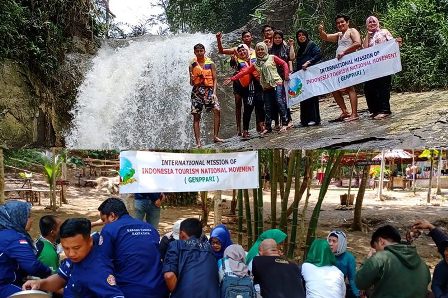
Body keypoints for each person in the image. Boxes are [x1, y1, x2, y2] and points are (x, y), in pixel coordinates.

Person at [23, 218, 125, 297]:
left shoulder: (99, 270)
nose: (71, 254)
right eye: (66, 248)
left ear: (89, 241)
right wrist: (40, 284)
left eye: (76, 248)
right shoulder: (75, 259)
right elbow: (60, 278)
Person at [97, 197, 168, 297]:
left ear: (112, 216)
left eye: (104, 220)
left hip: (129, 291)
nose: (104, 224)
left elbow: (103, 263)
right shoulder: (150, 228)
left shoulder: (109, 229)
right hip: (159, 289)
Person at [227, 42, 290, 134]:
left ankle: (285, 124)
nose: (260, 51)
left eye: (262, 49)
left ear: (265, 49)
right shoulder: (256, 63)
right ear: (256, 51)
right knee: (267, 107)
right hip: (265, 86)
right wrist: (232, 78)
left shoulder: (272, 57)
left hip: (277, 83)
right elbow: (244, 72)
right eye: (258, 50)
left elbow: (284, 63)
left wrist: (286, 75)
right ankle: (268, 127)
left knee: (279, 102)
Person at [355, 225, 430, 298]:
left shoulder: (380, 258)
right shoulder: (423, 265)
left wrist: (368, 259)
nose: (375, 251)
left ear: (381, 242)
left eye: (375, 247)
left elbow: (360, 282)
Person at [0, 201, 52, 297]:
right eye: (28, 217)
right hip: (3, 285)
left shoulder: (3, 233)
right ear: (17, 217)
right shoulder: (13, 238)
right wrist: (50, 273)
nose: (31, 220)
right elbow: (32, 266)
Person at [319, 15, 362, 122]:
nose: (340, 24)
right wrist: (321, 30)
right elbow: (325, 37)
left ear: (347, 22)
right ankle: (344, 111)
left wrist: (344, 52)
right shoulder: (339, 35)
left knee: (350, 88)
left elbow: (358, 43)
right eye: (338, 23)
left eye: (342, 22)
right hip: (339, 66)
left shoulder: (352, 31)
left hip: (349, 63)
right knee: (334, 88)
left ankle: (354, 114)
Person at [163, 218, 219, 297]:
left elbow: (169, 276)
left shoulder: (176, 245)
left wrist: (176, 293)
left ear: (182, 234)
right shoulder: (210, 248)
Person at [216, 31, 255, 136]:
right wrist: (219, 39)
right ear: (242, 39)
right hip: (238, 81)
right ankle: (238, 128)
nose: (247, 38)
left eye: (248, 36)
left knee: (249, 103)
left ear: (252, 37)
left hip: (250, 80)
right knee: (238, 103)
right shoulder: (236, 50)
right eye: (245, 37)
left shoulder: (254, 51)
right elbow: (221, 50)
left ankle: (252, 126)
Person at [362, 16, 397, 120]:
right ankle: (375, 110)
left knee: (383, 87)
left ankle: (385, 110)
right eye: (369, 22)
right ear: (367, 25)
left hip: (384, 65)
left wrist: (398, 42)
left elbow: (392, 43)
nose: (372, 23)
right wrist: (368, 36)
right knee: (369, 87)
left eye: (374, 21)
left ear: (378, 23)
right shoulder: (366, 37)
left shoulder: (384, 32)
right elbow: (364, 49)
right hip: (372, 68)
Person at [190, 43, 223, 147]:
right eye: (197, 51)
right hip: (196, 92)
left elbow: (214, 78)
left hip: (209, 91)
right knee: (196, 116)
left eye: (201, 51)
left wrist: (214, 93)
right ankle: (198, 142)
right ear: (194, 52)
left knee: (217, 109)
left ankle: (215, 136)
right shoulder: (192, 65)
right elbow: (191, 83)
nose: (199, 53)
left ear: (204, 51)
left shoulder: (210, 63)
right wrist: (191, 78)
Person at [412, 219, 448, 297]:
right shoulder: (444, 263)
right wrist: (430, 227)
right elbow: (442, 241)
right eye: (446, 250)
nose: (446, 253)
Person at [295, 29, 322, 126]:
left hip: (311, 75)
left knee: (312, 96)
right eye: (299, 36)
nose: (301, 37)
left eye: (303, 35)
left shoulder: (311, 45)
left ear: (306, 36)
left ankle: (314, 118)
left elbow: (318, 54)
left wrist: (309, 62)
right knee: (304, 96)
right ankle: (305, 120)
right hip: (302, 76)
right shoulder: (300, 49)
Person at [270, 30, 295, 128]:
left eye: (279, 38)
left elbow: (292, 58)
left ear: (282, 38)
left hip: (285, 77)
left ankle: (289, 120)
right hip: (274, 77)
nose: (277, 39)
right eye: (276, 38)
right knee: (276, 100)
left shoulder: (286, 48)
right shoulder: (270, 50)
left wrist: (292, 45)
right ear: (273, 39)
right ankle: (279, 122)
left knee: (285, 99)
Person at [327, 230, 360, 298]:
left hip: (338, 288)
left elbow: (352, 279)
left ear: (341, 243)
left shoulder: (349, 258)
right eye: (329, 240)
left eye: (334, 241)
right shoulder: (324, 255)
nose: (330, 243)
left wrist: (357, 295)